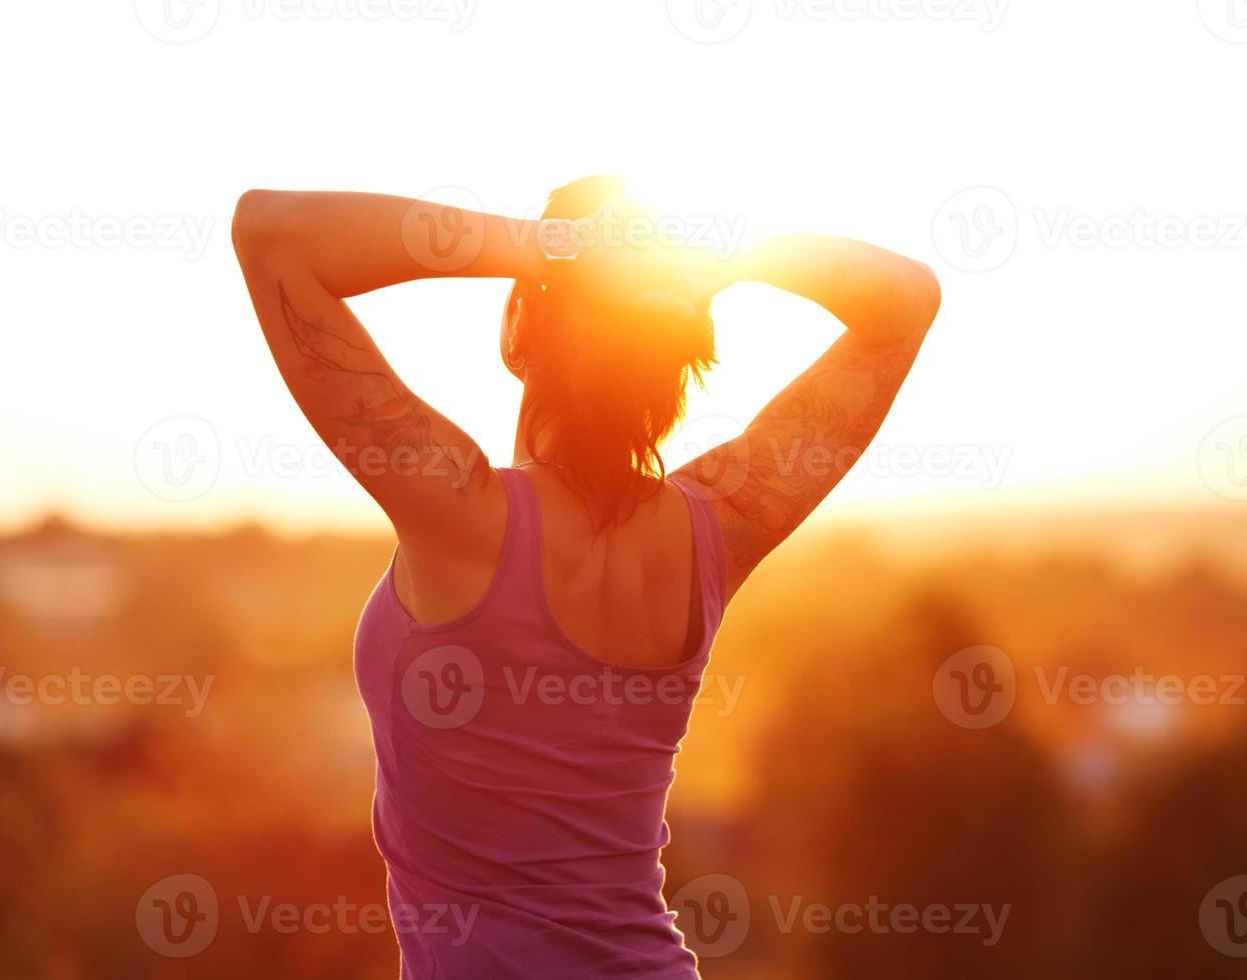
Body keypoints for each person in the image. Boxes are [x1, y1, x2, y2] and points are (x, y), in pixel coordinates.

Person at [231, 176, 941, 979]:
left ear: (517, 324)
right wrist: (723, 261)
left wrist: (555, 248)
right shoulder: (721, 524)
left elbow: (271, 231)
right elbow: (907, 299)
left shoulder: (459, 512)